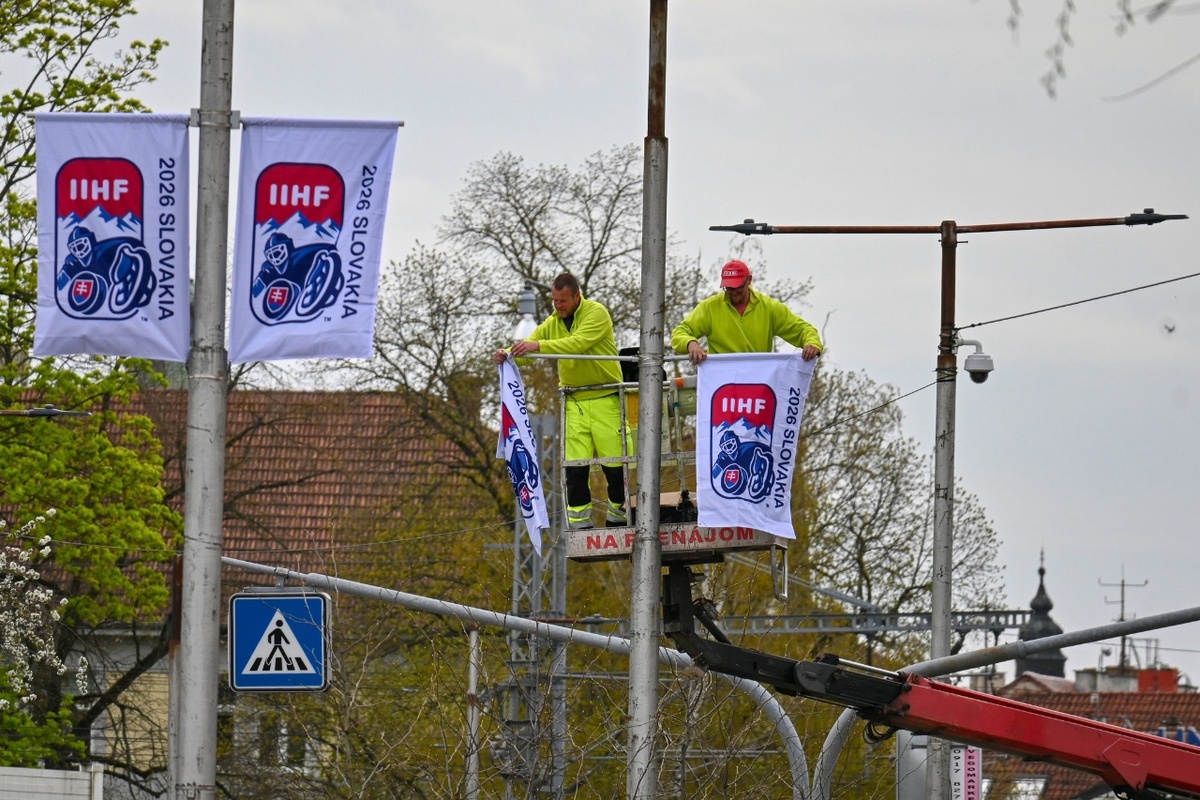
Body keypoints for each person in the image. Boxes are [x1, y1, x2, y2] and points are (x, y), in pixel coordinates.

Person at [494, 273, 627, 530]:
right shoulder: (553, 322)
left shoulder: (596, 313)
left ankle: (618, 515)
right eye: (554, 300)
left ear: (577, 296)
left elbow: (576, 344)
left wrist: (536, 346)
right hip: (574, 400)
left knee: (615, 462)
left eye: (563, 300)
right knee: (575, 467)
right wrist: (508, 354)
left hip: (606, 397)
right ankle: (580, 525)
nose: (558, 306)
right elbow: (527, 353)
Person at [671, 259, 823, 364]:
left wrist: (811, 343)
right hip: (721, 383)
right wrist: (691, 344)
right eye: (728, 288)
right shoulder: (710, 307)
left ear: (749, 280)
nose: (733, 292)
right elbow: (680, 332)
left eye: (737, 286)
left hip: (756, 384)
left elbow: (803, 329)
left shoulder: (768, 307)